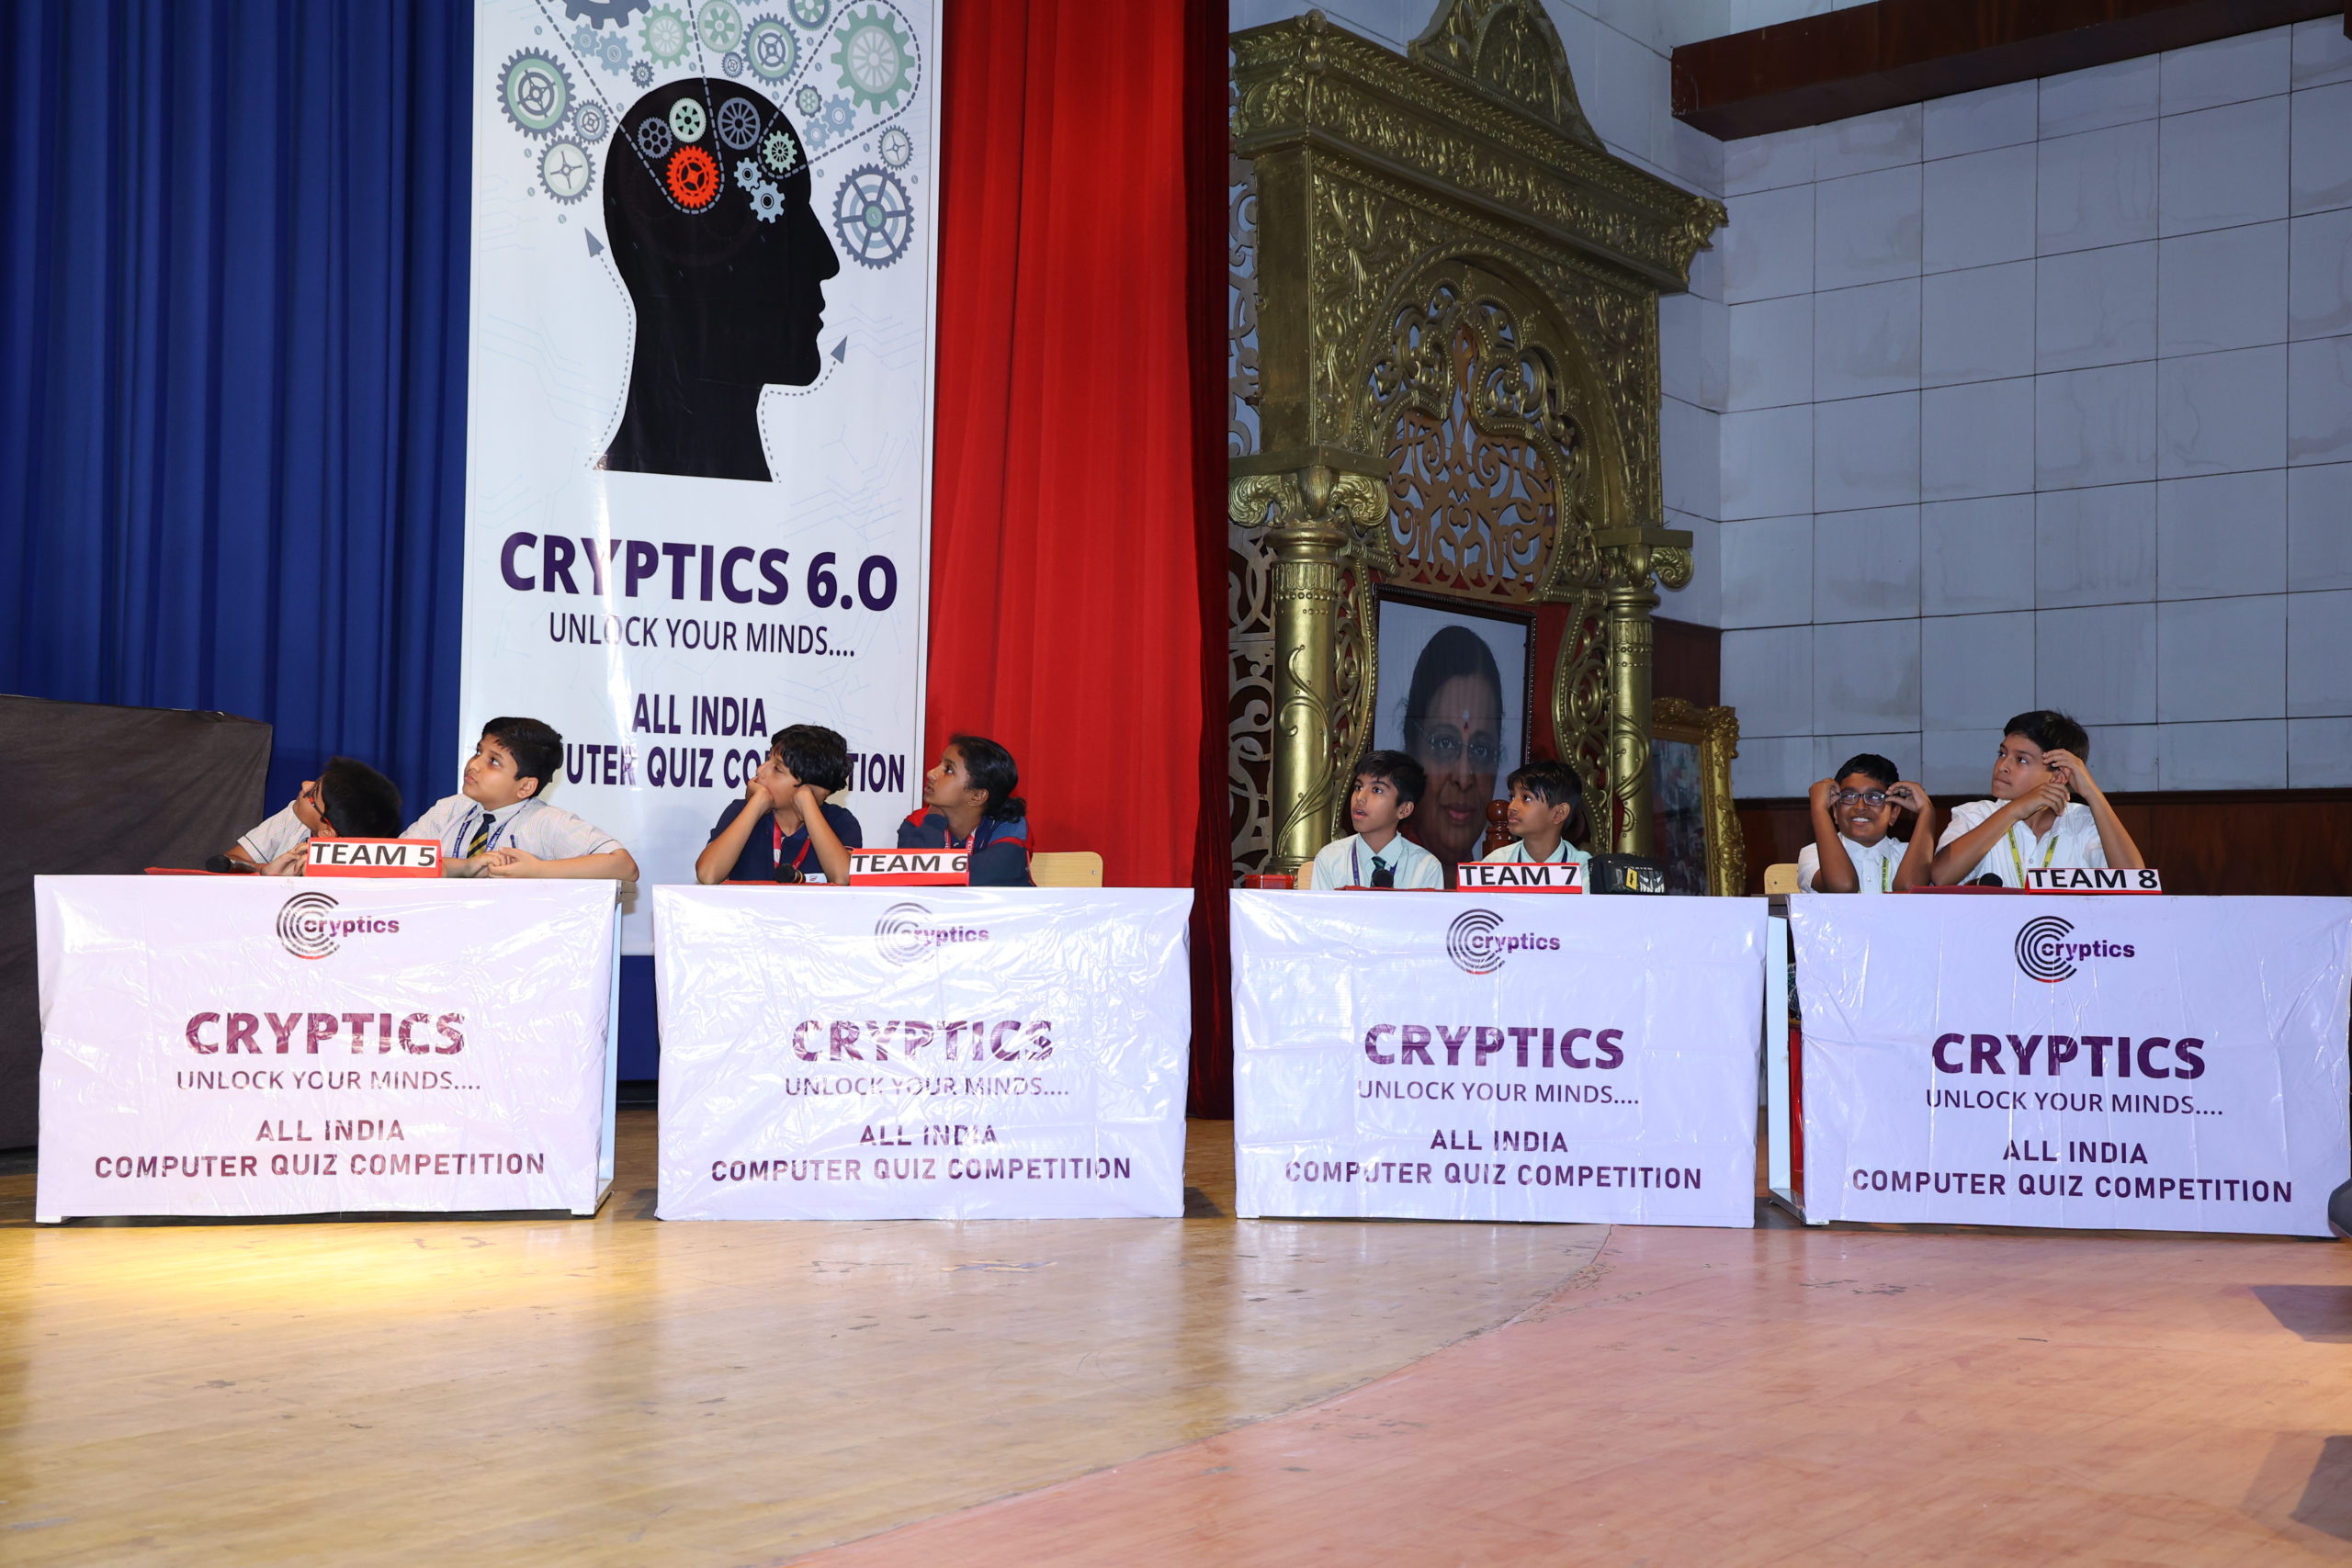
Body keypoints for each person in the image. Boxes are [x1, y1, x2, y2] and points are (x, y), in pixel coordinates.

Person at [403, 717, 639, 881]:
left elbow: (624, 866)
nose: (474, 765)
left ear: (525, 786)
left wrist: (538, 870)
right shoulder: (448, 809)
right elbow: (394, 862)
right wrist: (464, 867)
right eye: (478, 752)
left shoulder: (547, 822)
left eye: (493, 761)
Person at [1931, 711, 2144, 886]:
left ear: (2059, 776)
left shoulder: (2084, 822)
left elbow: (2136, 883)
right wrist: (2014, 811)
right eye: (2002, 754)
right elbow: (1941, 877)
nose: (2003, 766)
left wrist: (2093, 794)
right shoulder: (1975, 815)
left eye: (2021, 760)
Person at [1399, 626, 1509, 886]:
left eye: (1481, 749)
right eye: (1444, 743)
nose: (1464, 777)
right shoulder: (1379, 882)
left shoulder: (1507, 889)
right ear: (1411, 749)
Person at [695, 724, 860, 885]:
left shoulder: (839, 821)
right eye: (768, 759)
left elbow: (843, 878)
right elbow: (708, 875)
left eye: (777, 769)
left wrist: (807, 803)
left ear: (808, 786)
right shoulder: (741, 811)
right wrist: (758, 802)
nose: (760, 770)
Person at [899, 734, 1033, 886]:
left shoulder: (1011, 824)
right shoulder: (917, 821)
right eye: (939, 764)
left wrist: (931, 874)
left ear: (977, 796)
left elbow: (985, 874)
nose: (931, 773)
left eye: (948, 770)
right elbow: (910, 874)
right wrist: (934, 820)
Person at [228, 757, 405, 870]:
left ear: (326, 832)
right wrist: (265, 871)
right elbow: (229, 860)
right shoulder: (296, 817)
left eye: (312, 794)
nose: (305, 784)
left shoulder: (361, 876)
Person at [1307, 750, 1444, 891]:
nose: (1360, 797)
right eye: (1358, 787)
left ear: (1404, 809)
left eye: (1377, 790)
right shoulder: (1330, 859)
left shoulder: (1426, 868)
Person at [1799, 753, 1936, 893]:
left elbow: (1909, 890)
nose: (1860, 807)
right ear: (1835, 812)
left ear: (1893, 814)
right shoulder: (1814, 854)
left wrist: (1927, 811)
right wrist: (1819, 809)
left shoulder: (1908, 854)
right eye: (1849, 796)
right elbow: (1842, 886)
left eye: (1874, 797)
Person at [1478, 759, 1591, 874]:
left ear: (1559, 813)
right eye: (1512, 797)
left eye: (1526, 798)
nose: (1512, 806)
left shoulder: (1584, 868)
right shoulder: (1495, 863)